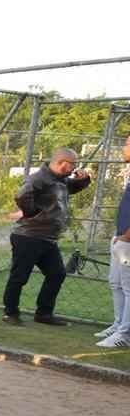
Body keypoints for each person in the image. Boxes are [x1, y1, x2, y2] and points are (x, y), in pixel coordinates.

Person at [2, 147, 91, 326]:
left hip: (47, 238)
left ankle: (44, 314)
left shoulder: (61, 180)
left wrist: (84, 180)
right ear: (62, 163)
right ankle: (10, 313)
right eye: (73, 164)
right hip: (29, 236)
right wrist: (31, 212)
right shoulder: (39, 178)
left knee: (57, 274)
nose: (74, 168)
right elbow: (22, 196)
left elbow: (72, 187)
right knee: (19, 276)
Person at [95, 133, 130, 348]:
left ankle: (125, 333)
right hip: (121, 238)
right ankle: (118, 325)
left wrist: (127, 236)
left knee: (128, 287)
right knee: (115, 282)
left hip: (128, 241)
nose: (123, 148)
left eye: (127, 144)